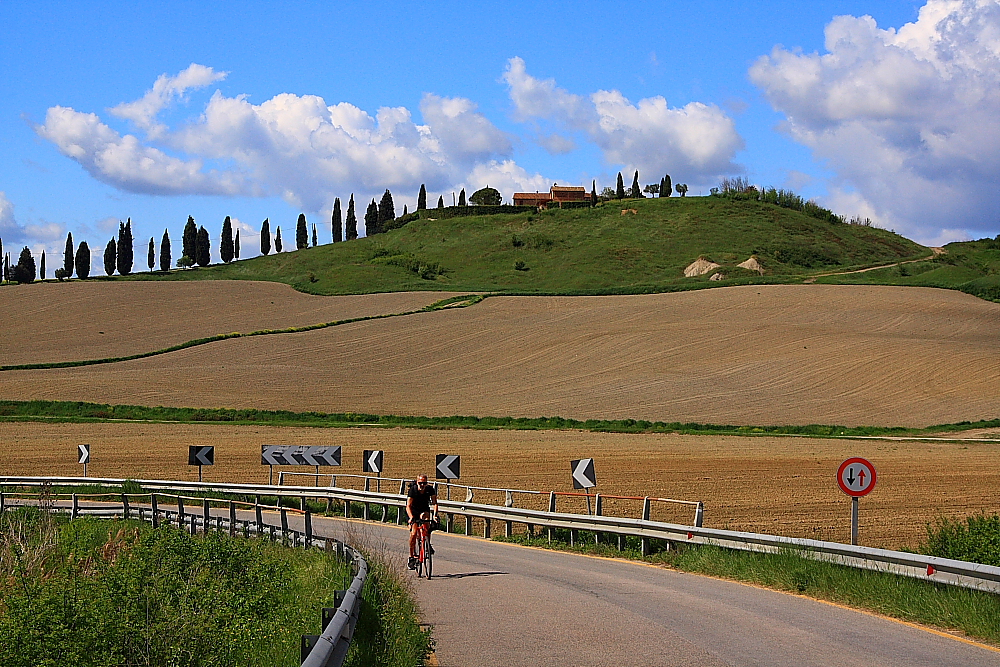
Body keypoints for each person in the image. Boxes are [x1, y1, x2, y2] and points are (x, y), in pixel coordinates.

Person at [407, 474, 438, 569]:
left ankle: (427, 543)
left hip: (424, 509)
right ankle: (412, 557)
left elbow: (435, 503)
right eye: (420, 483)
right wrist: (411, 517)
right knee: (413, 534)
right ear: (417, 482)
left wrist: (435, 515)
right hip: (413, 511)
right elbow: (408, 506)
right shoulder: (413, 490)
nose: (422, 485)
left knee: (426, 520)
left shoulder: (430, 489)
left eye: (424, 483)